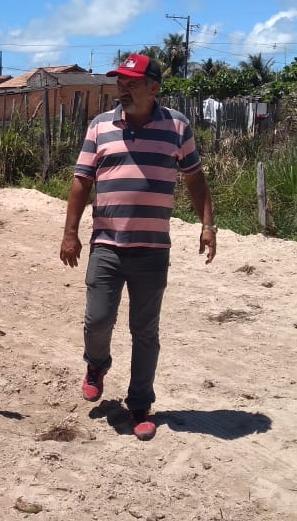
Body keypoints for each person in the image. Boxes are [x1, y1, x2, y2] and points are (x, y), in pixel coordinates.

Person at [59, 54, 216, 441]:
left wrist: (208, 225)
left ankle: (140, 405)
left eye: (131, 82)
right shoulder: (100, 126)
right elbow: (81, 182)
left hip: (152, 249)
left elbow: (195, 179)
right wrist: (70, 232)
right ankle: (96, 364)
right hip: (106, 246)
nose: (122, 88)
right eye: (120, 82)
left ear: (153, 87)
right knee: (97, 320)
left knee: (145, 331)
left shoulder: (177, 126)